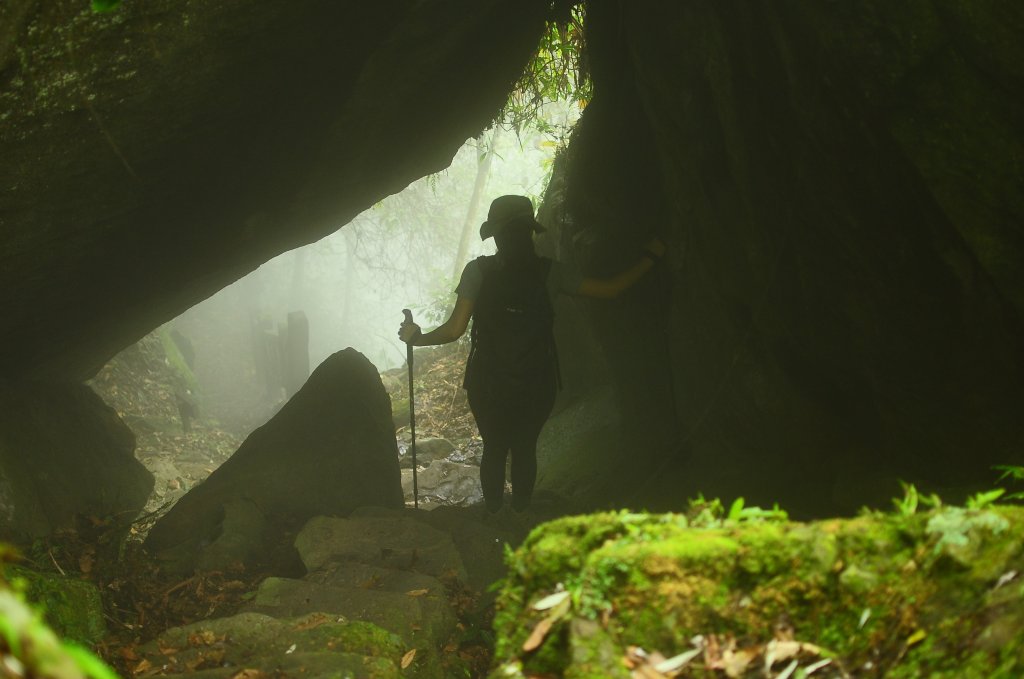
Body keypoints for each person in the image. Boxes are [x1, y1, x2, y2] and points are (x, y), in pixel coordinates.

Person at [399, 195, 666, 513]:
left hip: (488, 383)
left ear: (496, 234)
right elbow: (611, 289)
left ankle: (494, 519)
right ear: (530, 231)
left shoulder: (478, 271)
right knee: (525, 449)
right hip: (537, 383)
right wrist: (651, 256)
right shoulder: (552, 272)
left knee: (495, 449)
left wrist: (418, 338)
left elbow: (455, 330)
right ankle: (522, 515)